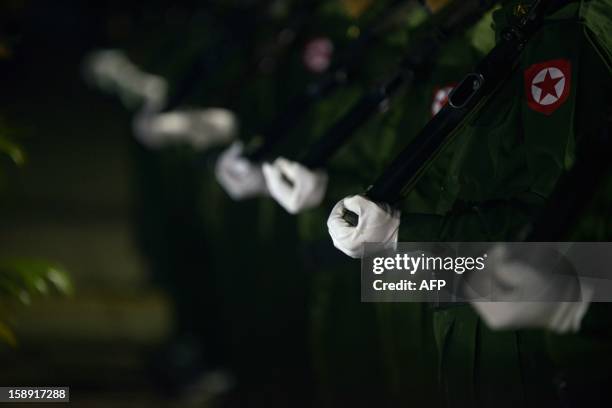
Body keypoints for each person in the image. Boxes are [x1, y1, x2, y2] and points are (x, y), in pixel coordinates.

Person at [327, 0, 612, 406]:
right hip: (467, 331)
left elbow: (568, 235)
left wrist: (402, 238)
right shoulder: (507, 33)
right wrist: (393, 249)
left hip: (528, 356)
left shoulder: (560, 37)